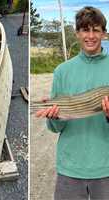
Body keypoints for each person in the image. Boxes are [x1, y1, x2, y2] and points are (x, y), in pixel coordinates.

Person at [36, 6, 109, 200]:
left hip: (106, 168)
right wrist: (54, 116)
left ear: (104, 34)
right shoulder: (62, 71)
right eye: (85, 29)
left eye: (96, 30)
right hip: (70, 168)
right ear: (77, 33)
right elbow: (54, 127)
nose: (91, 36)